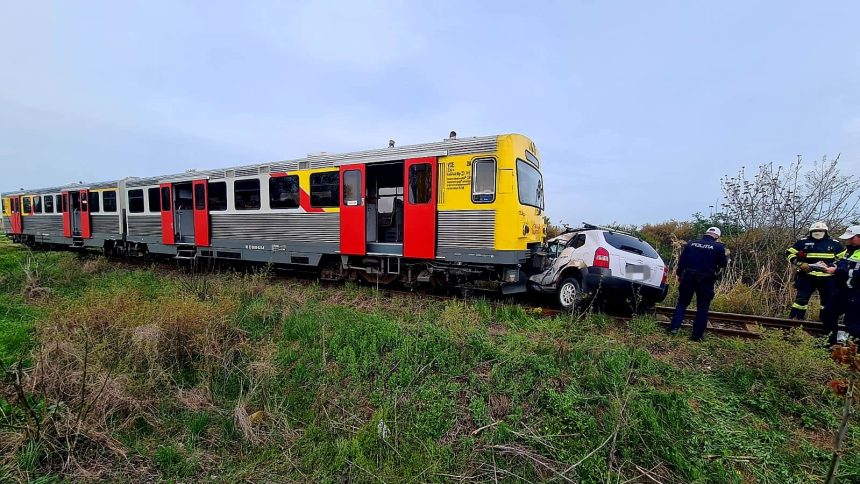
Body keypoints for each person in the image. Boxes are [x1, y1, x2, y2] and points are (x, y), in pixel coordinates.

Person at [667, 227, 728, 341]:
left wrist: (679, 275)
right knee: (703, 308)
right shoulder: (719, 247)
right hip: (706, 280)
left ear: (706, 234)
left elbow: (682, 262)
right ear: (717, 237)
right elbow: (723, 264)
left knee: (682, 303)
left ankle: (674, 328)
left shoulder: (691, 244)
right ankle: (697, 336)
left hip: (689, 277)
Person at [786, 222, 845, 320]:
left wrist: (833, 266)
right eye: (815, 231)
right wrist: (800, 263)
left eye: (820, 230)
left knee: (827, 301)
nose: (817, 232)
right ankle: (795, 321)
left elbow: (843, 259)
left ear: (825, 232)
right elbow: (789, 253)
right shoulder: (802, 242)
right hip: (807, 276)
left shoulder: (835, 244)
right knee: (801, 300)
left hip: (827, 277)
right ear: (810, 232)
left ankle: (824, 323)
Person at [823, 225, 860, 344]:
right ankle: (830, 345)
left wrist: (837, 271)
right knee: (828, 314)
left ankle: (854, 350)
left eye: (851, 238)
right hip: (843, 290)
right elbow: (843, 265)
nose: (847, 240)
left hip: (857, 292)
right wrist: (830, 266)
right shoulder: (849, 251)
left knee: (853, 323)